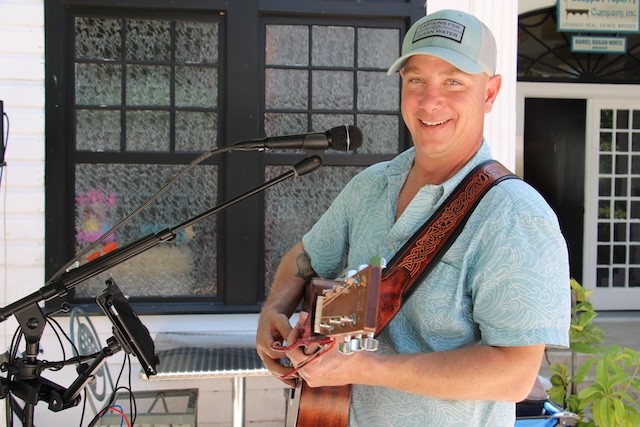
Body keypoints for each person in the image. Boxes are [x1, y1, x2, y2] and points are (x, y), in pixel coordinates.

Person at [256, 9, 571, 426]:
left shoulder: (515, 215)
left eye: (453, 82)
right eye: (416, 80)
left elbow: (514, 375)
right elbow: (308, 256)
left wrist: (365, 368)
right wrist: (273, 313)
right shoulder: (370, 186)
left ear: (490, 93)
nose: (429, 101)